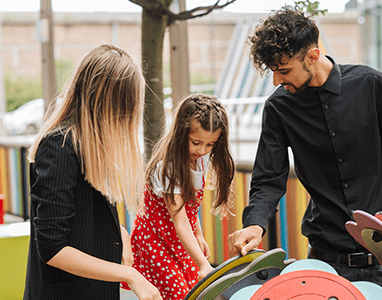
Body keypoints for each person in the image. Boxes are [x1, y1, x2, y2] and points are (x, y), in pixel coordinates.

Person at [228, 6, 382, 298]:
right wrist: (255, 224)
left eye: (283, 70)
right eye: (273, 72)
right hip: (323, 263)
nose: (276, 81)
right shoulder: (278, 108)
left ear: (312, 56)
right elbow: (269, 178)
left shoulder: (371, 85)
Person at [23, 44, 162, 300]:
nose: (128, 114)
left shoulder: (94, 145)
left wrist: (118, 230)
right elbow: (53, 247)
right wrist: (129, 275)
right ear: (104, 97)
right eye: (126, 103)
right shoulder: (59, 146)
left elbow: (83, 210)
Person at [121, 94, 235, 299]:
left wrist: (198, 234)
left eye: (210, 145)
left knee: (192, 292)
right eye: (196, 142)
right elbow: (180, 219)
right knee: (179, 295)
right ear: (181, 134)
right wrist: (202, 263)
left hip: (178, 242)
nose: (202, 150)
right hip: (156, 242)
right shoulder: (168, 168)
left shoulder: (198, 159)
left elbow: (190, 207)